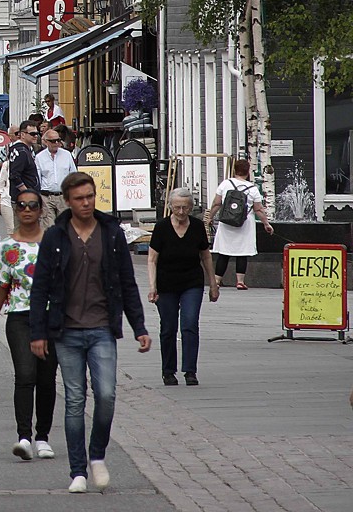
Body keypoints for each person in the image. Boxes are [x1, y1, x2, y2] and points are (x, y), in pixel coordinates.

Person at [29, 171, 150, 493]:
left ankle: (97, 454)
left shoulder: (110, 233)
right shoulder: (56, 236)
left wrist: (139, 326)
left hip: (101, 328)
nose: (86, 203)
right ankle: (78, 470)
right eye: (79, 198)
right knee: (74, 400)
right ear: (68, 202)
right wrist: (37, 332)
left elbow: (126, 281)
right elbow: (40, 287)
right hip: (66, 331)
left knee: (107, 395)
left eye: (90, 196)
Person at [0, 189, 59, 461]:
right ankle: (24, 436)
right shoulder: (6, 247)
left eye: (33, 206)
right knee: (26, 374)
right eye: (22, 205)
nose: (27, 210)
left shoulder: (53, 244)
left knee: (47, 378)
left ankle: (43, 437)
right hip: (19, 317)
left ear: (40, 210)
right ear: (15, 209)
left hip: (50, 317)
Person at [149, 188, 219, 386]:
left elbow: (205, 256)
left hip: (192, 282)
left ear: (191, 207)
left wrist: (213, 284)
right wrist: (152, 286)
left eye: (185, 208)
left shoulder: (197, 226)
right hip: (166, 284)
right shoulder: (162, 228)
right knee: (168, 328)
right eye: (177, 207)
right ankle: (168, 371)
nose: (181, 212)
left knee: (189, 325)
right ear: (170, 206)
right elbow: (152, 259)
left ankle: (190, 370)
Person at [206, 159, 273, 290]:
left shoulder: (225, 184)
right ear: (248, 172)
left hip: (226, 222)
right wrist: (266, 224)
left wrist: (210, 217)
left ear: (234, 170)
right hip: (245, 223)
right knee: (242, 252)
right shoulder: (252, 189)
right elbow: (258, 209)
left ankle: (217, 280)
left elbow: (216, 203)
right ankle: (240, 281)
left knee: (223, 252)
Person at [35, 127, 77, 228]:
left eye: (58, 140)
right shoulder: (39, 157)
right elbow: (37, 178)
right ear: (46, 142)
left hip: (63, 196)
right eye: (53, 141)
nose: (56, 143)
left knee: (65, 226)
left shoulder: (67, 155)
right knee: (48, 227)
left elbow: (73, 175)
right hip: (46, 197)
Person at [6, 121, 41, 204]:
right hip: (24, 200)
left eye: (37, 133)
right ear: (23, 135)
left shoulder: (22, 149)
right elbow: (14, 175)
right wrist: (26, 193)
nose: (36, 136)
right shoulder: (22, 151)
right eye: (32, 134)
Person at [0, 128, 17, 234]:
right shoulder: (6, 163)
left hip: (22, 199)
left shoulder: (30, 152)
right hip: (7, 199)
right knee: (11, 229)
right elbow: (1, 184)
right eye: (16, 133)